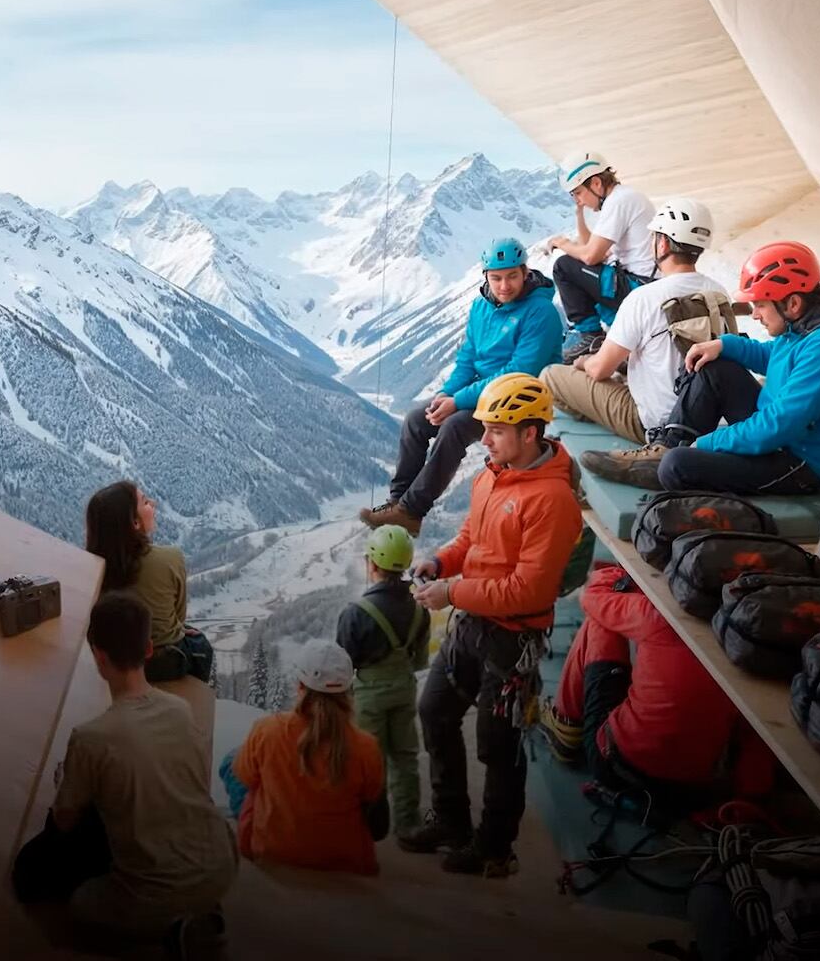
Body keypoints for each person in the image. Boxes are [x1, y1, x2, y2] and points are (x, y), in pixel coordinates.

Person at [399, 375, 584, 877]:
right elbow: (471, 537)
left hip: (511, 637)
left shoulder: (552, 501)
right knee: (435, 709)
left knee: (497, 745)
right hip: (472, 623)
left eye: (496, 431)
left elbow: (531, 591)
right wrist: (441, 562)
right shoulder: (492, 474)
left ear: (530, 433)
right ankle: (453, 822)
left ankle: (494, 848)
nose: (484, 440)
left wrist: (451, 592)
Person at [13, 593, 236, 956]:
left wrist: (69, 782)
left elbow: (64, 821)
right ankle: (200, 907)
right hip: (223, 867)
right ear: (149, 649)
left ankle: (170, 929)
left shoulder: (91, 738)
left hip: (151, 897)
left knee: (38, 879)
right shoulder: (181, 711)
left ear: (99, 657)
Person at [583, 241, 820, 494]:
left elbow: (779, 424)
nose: (754, 315)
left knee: (679, 466)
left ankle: (668, 461)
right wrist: (724, 345)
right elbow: (776, 357)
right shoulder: (810, 323)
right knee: (715, 366)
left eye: (760, 305)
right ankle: (667, 446)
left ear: (792, 303)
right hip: (786, 438)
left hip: (804, 462)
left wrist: (707, 444)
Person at [360, 238, 560, 537]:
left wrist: (458, 401)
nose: (504, 286)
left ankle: (412, 511)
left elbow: (519, 372)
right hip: (483, 394)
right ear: (485, 277)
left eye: (512, 277)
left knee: (454, 426)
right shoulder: (480, 307)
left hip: (521, 399)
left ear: (525, 272)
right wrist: (447, 393)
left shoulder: (540, 312)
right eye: (496, 278)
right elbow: (468, 358)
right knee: (418, 419)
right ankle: (397, 502)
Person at [541, 566, 773, 816]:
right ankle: (752, 796)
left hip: (617, 768)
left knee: (601, 622)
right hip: (694, 787)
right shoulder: (754, 645)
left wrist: (617, 573)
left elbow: (593, 598)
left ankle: (565, 724)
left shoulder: (658, 616)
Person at [541, 197, 730, 444]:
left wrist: (585, 363)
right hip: (709, 420)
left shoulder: (643, 298)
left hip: (658, 425)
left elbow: (600, 370)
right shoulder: (718, 291)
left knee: (551, 375)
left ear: (662, 244)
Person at [232, 641, 389, 876]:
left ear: (300, 686)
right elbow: (377, 819)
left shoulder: (267, 730)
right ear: (347, 690)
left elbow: (244, 778)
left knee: (237, 764)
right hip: (348, 859)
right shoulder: (366, 746)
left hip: (271, 849)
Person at [336, 525, 431, 842]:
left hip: (368, 697)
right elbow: (419, 661)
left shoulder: (356, 613)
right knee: (405, 757)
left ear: (372, 564)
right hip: (404, 690)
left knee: (368, 760)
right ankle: (409, 824)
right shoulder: (420, 609)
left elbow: (342, 666)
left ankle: (370, 825)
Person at [539, 151, 657, 362]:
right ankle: (610, 333)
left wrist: (562, 243)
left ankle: (590, 335)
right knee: (581, 271)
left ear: (595, 183)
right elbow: (589, 246)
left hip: (639, 287)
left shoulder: (619, 202)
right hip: (640, 283)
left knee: (563, 266)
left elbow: (590, 256)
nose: (578, 200)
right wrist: (579, 214)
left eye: (577, 193)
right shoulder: (622, 197)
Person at [86, 481, 207, 682]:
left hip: (112, 659)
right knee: (200, 643)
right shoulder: (171, 558)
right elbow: (179, 617)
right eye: (145, 502)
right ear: (135, 522)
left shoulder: (93, 567)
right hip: (162, 661)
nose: (154, 503)